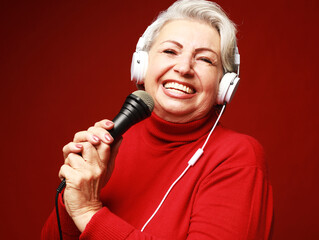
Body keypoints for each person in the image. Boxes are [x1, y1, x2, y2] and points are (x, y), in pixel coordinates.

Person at [41, 0, 273, 239]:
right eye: (170, 51)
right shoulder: (110, 147)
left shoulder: (238, 156)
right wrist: (76, 191)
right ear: (141, 65)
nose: (184, 68)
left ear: (224, 86)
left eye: (205, 59)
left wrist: (88, 211)